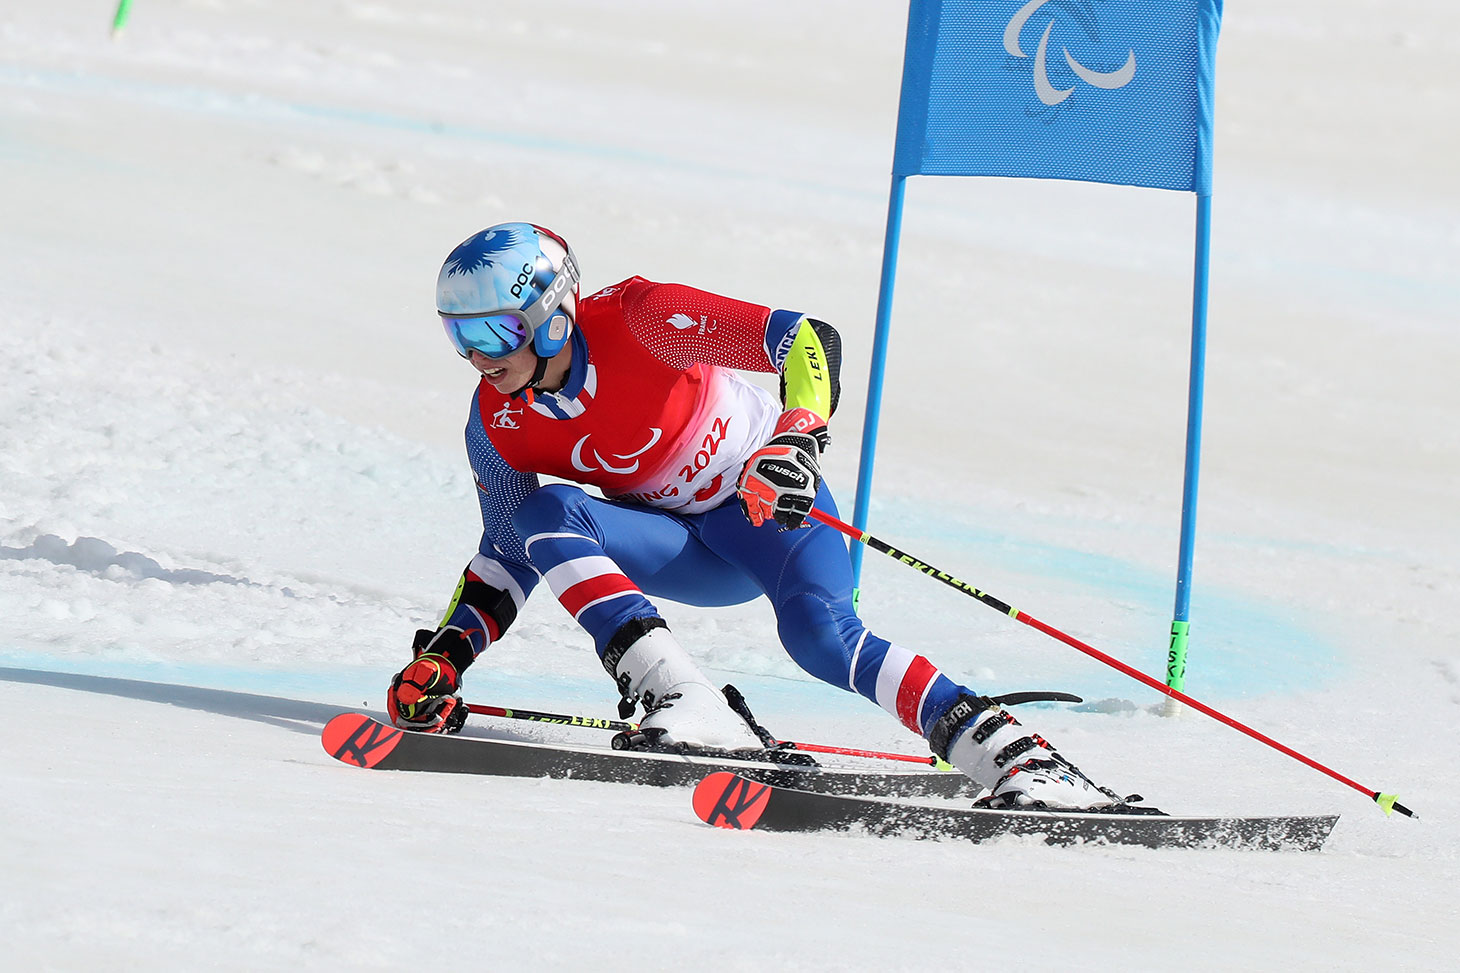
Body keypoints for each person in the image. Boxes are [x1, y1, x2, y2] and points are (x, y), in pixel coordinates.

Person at [386, 221, 1123, 810]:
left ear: (551, 318)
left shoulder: (644, 320)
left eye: (491, 334)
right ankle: (685, 697)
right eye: (459, 336)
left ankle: (1015, 758)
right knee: (545, 513)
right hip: (680, 545)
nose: (477, 358)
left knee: (820, 637)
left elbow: (806, 340)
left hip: (765, 506)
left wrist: (797, 433)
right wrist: (445, 657)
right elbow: (507, 551)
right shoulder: (497, 422)